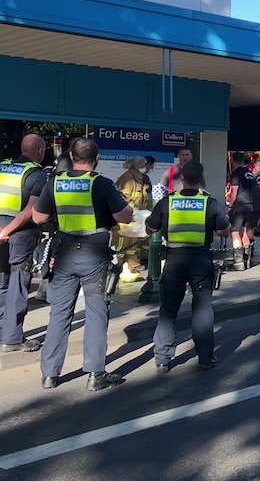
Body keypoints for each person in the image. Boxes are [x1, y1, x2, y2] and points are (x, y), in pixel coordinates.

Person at [33, 138, 133, 391]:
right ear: (96, 158)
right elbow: (125, 216)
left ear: (71, 155)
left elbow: (38, 216)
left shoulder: (56, 182)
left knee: (59, 314)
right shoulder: (102, 184)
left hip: (65, 257)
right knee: (97, 313)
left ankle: (49, 374)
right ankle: (95, 374)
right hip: (94, 259)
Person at [146, 161, 230, 374]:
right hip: (200, 260)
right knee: (202, 308)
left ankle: (163, 359)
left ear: (181, 179)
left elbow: (150, 227)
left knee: (168, 310)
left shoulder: (167, 202)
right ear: (202, 180)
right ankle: (205, 358)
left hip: (174, 260)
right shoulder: (210, 203)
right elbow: (224, 232)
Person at [0, 134, 48, 353]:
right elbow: (30, 211)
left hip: (1, 234)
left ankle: (3, 331)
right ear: (39, 151)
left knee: (1, 283)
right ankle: (12, 338)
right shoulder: (37, 174)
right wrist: (7, 231)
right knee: (18, 284)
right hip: (19, 234)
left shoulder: (2, 167)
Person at [113, 156, 152, 278]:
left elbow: (145, 198)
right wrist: (135, 211)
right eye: (144, 165)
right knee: (121, 243)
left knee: (132, 243)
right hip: (125, 217)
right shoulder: (128, 179)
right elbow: (123, 198)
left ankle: (133, 264)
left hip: (136, 217)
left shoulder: (140, 179)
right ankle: (117, 266)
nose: (146, 167)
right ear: (137, 166)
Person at [226, 152, 254, 270]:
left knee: (235, 232)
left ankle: (238, 263)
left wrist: (230, 207)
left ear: (232, 160)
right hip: (250, 205)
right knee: (244, 232)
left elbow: (234, 192)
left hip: (239, 205)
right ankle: (247, 258)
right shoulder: (249, 173)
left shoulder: (236, 174)